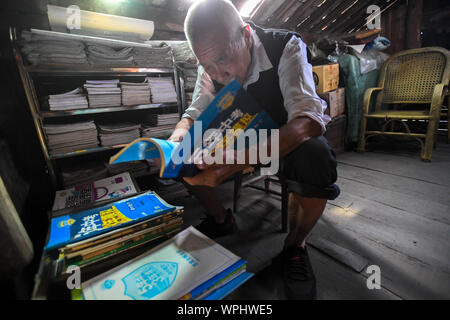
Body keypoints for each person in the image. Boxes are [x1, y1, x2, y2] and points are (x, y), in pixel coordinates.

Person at [168, 0, 340, 300]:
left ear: (246, 35)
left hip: (284, 142)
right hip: (234, 143)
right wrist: (177, 137)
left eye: (223, 58)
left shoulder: (285, 46)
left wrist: (240, 159)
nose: (218, 72)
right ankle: (222, 219)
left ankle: (295, 245)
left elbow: (308, 122)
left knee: (316, 156)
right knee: (182, 157)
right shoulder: (210, 65)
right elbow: (195, 111)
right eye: (208, 65)